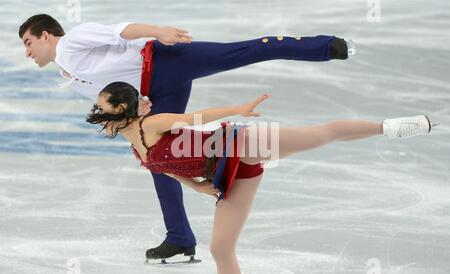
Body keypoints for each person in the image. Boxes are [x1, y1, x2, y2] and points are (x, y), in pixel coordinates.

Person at [20, 14, 355, 261]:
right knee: (155, 159)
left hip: (166, 61)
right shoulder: (71, 77)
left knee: (237, 53)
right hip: (151, 95)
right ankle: (179, 236)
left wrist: (158, 31)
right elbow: (117, 108)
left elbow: (120, 32)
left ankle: (326, 46)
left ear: (46, 35)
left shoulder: (72, 41)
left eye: (28, 42)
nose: (27, 51)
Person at [86, 82, 437, 274]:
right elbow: (162, 168)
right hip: (230, 176)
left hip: (242, 145)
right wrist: (196, 187)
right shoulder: (136, 147)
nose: (96, 111)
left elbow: (195, 117)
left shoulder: (153, 124)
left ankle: (390, 127)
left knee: (321, 134)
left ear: (119, 109)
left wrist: (238, 107)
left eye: (101, 105)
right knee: (221, 250)